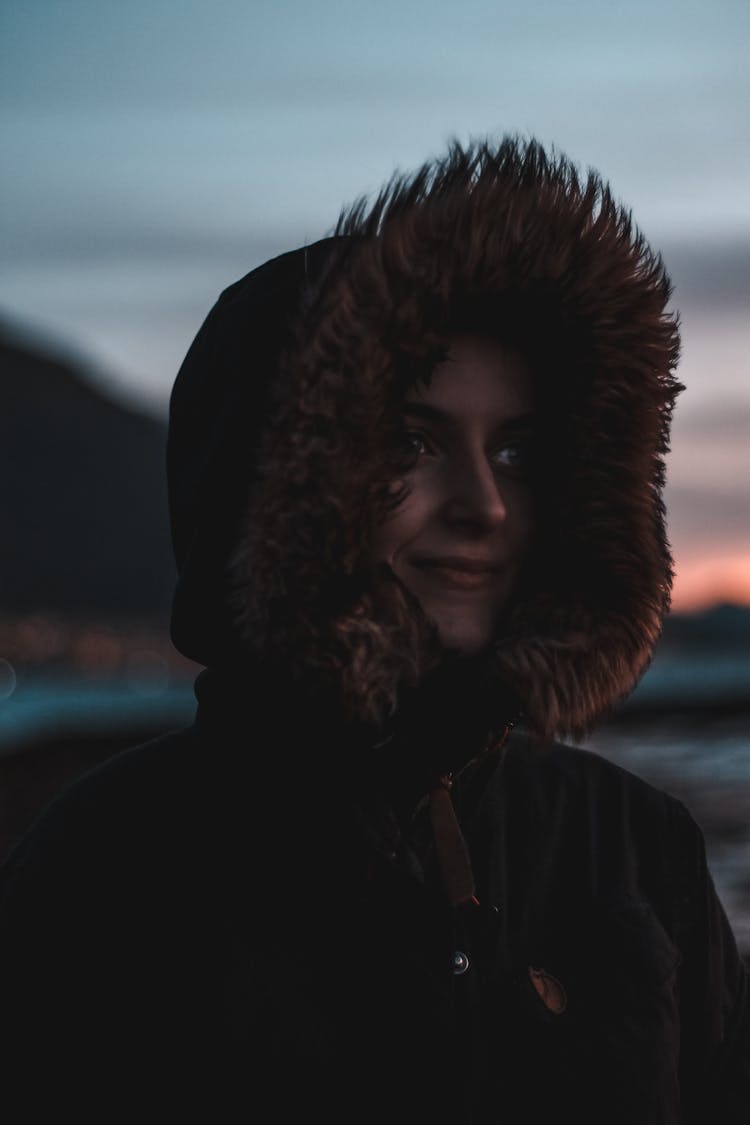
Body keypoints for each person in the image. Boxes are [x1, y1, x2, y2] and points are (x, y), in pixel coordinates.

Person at [0, 136, 748, 1123]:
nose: (483, 503)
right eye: (412, 442)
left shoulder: (633, 850)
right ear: (276, 482)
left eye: (518, 450)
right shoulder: (105, 870)